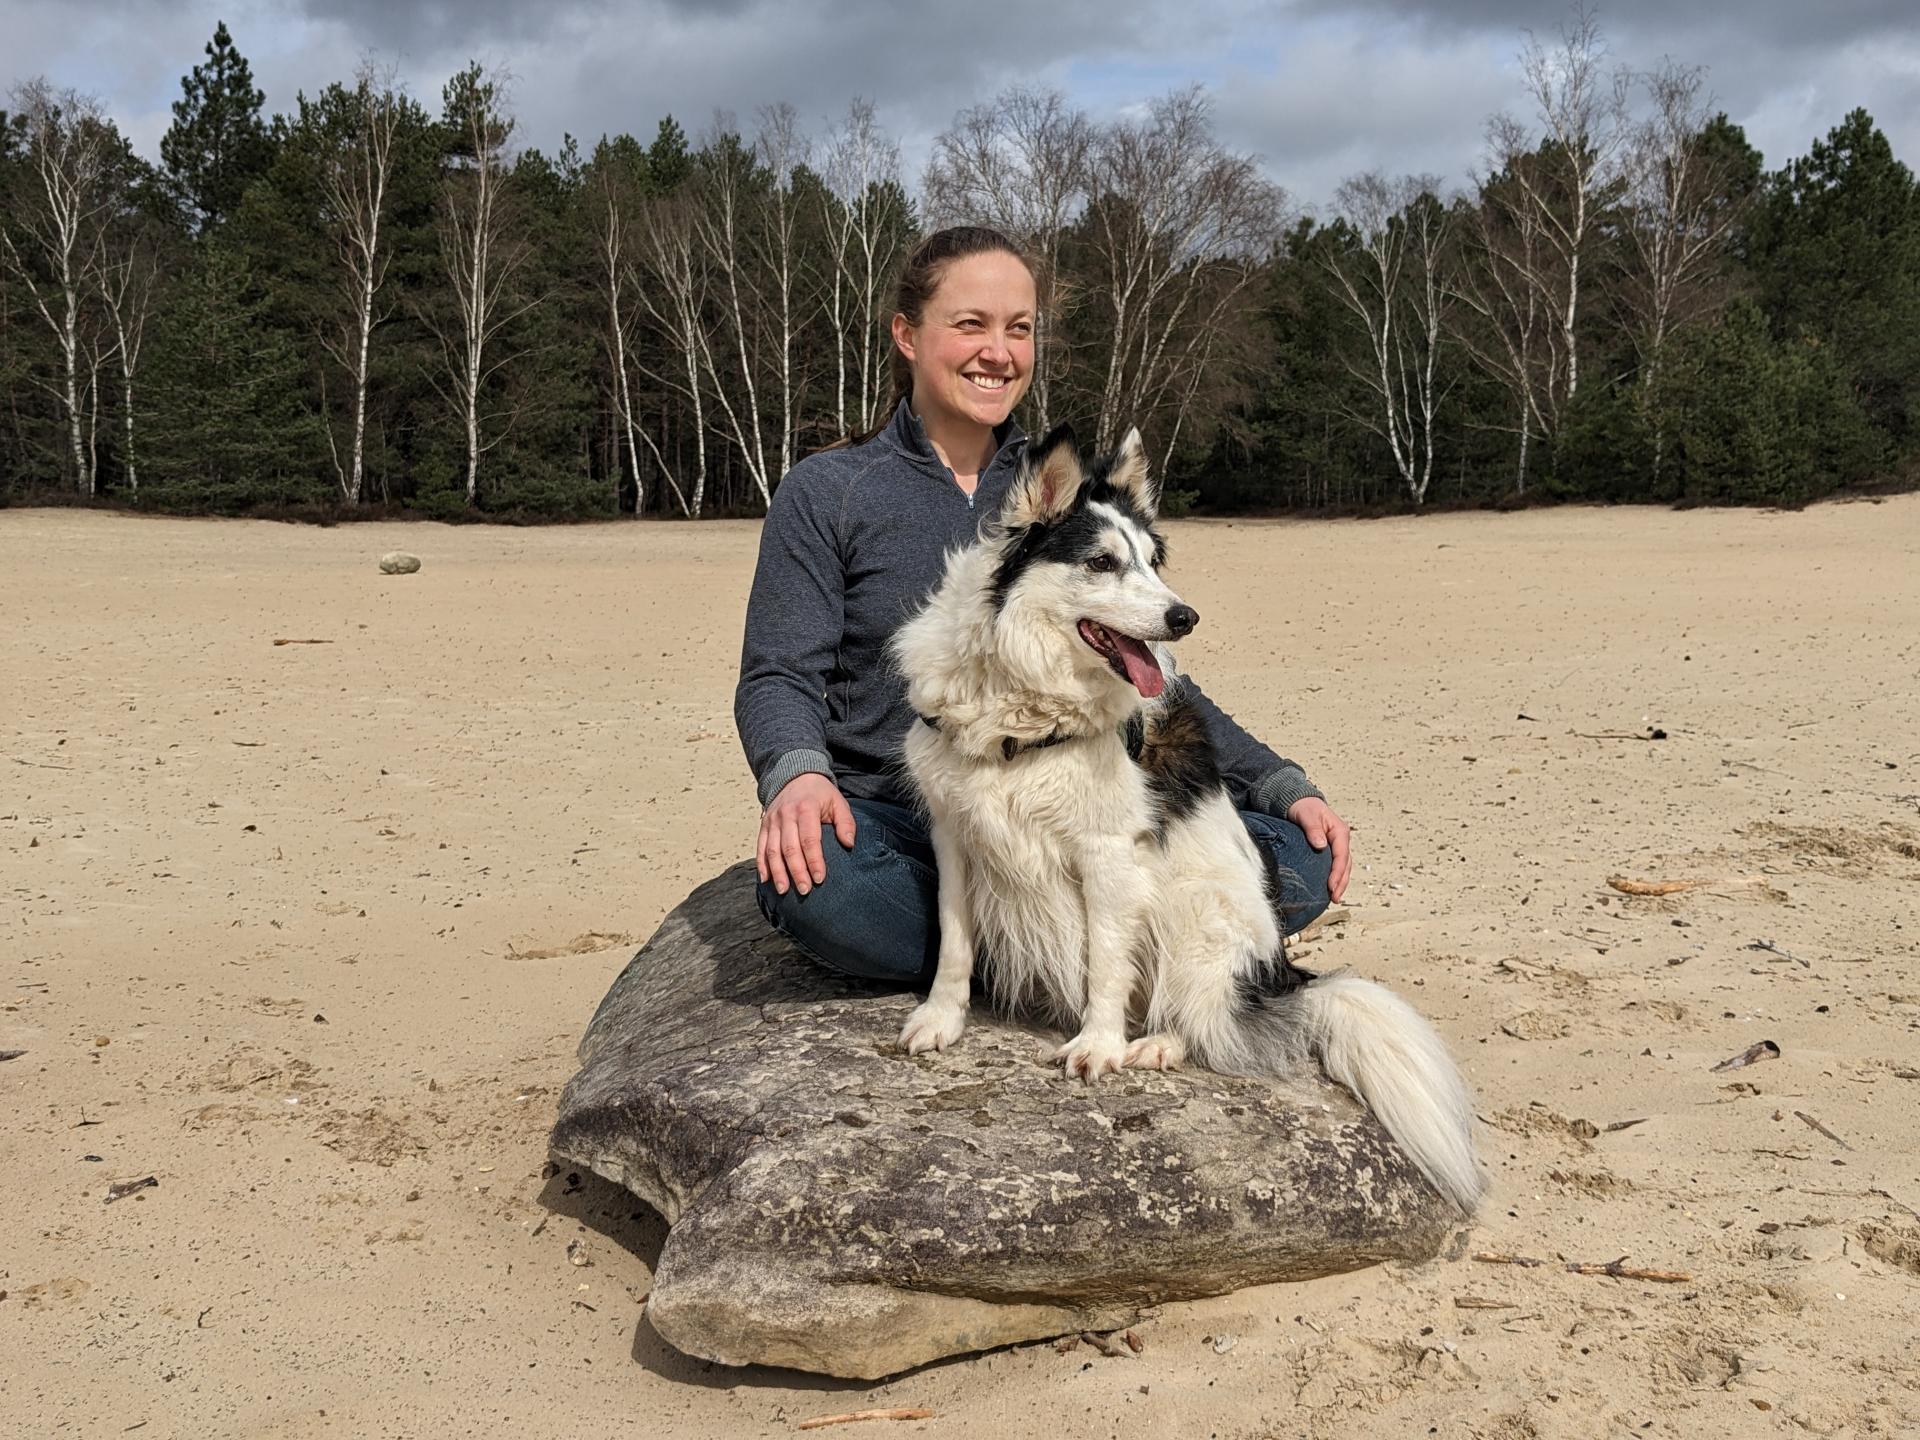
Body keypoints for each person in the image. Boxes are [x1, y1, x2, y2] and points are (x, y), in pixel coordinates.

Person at [734, 225, 1351, 986]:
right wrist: (797, 777)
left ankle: (1040, 955)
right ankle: (1074, 954)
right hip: (918, 824)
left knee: (1306, 857)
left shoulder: (1070, 500)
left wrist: (1282, 785)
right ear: (906, 333)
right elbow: (778, 674)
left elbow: (1150, 676)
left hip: (1067, 821)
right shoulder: (828, 492)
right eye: (971, 325)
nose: (999, 352)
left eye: (1019, 329)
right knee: (818, 880)